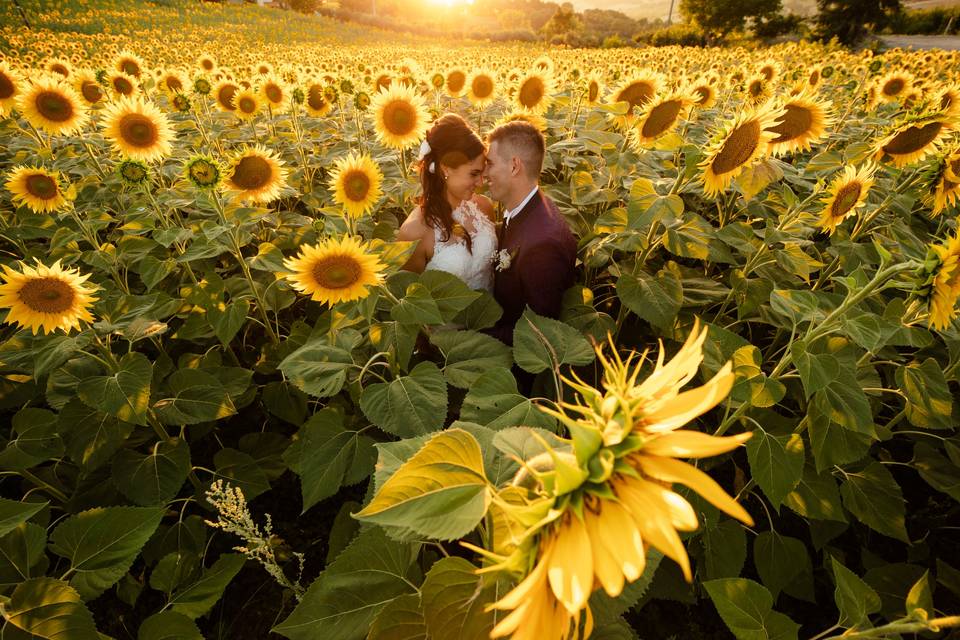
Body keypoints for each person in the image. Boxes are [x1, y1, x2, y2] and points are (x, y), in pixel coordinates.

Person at [483, 120, 577, 346]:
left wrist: (467, 340)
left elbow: (538, 335)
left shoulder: (542, 246)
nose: (484, 174)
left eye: (490, 164)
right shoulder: (532, 208)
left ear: (514, 166)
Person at [397, 113, 497, 291]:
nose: (481, 183)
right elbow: (410, 300)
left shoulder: (484, 207)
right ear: (446, 168)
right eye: (474, 174)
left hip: (490, 314)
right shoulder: (414, 232)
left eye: (482, 173)